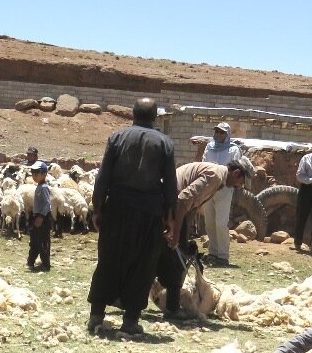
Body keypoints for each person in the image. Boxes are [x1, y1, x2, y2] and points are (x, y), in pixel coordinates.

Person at [87, 98, 178, 337]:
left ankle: (96, 314)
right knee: (143, 265)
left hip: (116, 208)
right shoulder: (165, 143)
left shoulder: (117, 138)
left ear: (132, 114)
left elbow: (103, 177)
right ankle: (130, 320)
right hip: (149, 212)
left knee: (109, 258)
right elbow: (170, 184)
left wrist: (97, 209)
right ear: (155, 117)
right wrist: (171, 217)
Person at [156, 157, 255, 316]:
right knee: (174, 261)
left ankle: (167, 302)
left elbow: (191, 205)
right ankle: (172, 307)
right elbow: (183, 201)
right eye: (241, 182)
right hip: (166, 205)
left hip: (169, 206)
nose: (239, 186)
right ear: (236, 173)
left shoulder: (218, 179)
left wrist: (184, 231)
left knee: (164, 254)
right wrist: (176, 233)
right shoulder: (215, 176)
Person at [200, 121, 242, 267]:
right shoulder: (209, 147)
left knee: (220, 223)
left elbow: (235, 167)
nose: (218, 134)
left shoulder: (233, 149)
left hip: (224, 188)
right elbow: (204, 164)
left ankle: (223, 256)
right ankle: (213, 253)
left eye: (222, 132)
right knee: (209, 222)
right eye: (217, 131)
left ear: (227, 134)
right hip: (209, 188)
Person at [27, 163, 52, 272]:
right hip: (37, 216)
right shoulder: (40, 187)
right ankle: (30, 262)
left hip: (43, 217)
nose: (34, 175)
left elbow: (47, 204)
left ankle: (45, 265)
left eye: (37, 173)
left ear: (44, 174)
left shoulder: (44, 188)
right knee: (35, 240)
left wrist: (41, 217)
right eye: (33, 173)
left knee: (43, 241)